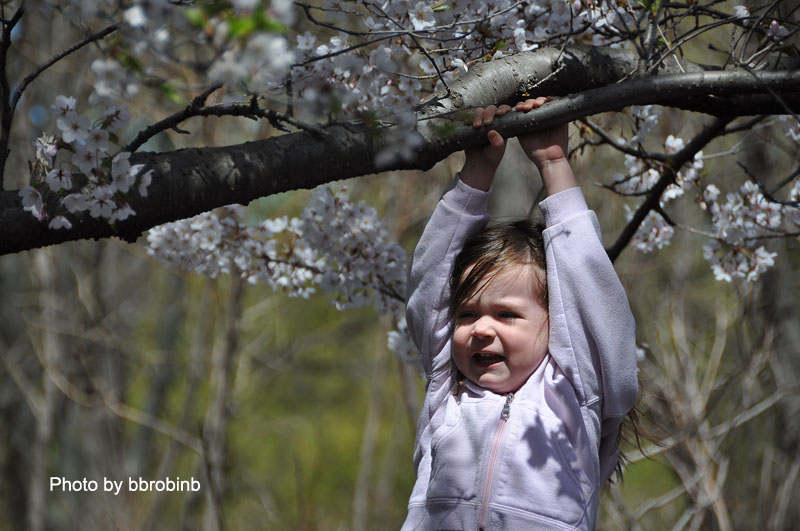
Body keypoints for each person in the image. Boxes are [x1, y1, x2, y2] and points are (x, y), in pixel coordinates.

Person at [402, 98, 639, 530]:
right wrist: (476, 172)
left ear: (557, 321)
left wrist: (553, 163)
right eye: (467, 314)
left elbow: (590, 291)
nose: (481, 330)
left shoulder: (576, 388)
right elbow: (429, 284)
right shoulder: (447, 388)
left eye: (507, 315)